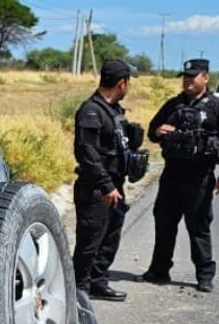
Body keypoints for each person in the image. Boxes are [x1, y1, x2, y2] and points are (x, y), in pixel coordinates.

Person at [143, 58, 219, 293]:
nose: (187, 81)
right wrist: (158, 131)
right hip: (172, 175)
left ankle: (205, 275)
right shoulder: (173, 105)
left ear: (205, 78)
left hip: (200, 178)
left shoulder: (218, 107)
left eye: (192, 76)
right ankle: (159, 270)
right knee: (164, 224)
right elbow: (153, 131)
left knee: (199, 228)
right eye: (185, 76)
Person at [72, 59, 144, 302]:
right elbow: (87, 153)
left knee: (109, 237)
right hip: (97, 188)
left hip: (115, 184)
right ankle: (79, 288)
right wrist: (106, 185)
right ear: (121, 83)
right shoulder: (91, 111)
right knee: (90, 240)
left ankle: (98, 282)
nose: (129, 87)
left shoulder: (113, 111)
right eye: (128, 83)